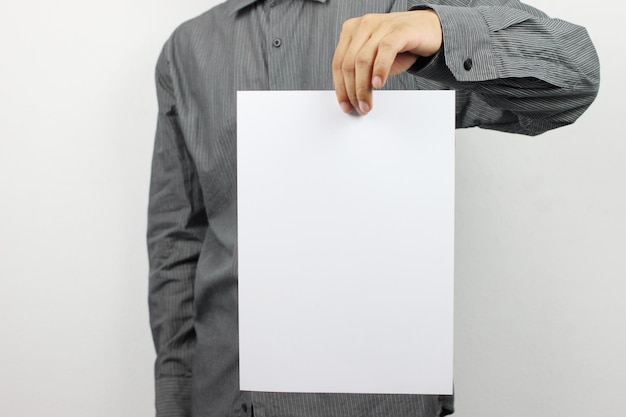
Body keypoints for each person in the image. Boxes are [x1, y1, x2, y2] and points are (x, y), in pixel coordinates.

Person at [147, 1, 599, 416]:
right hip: (224, 397)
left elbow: (575, 77)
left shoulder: (400, 13)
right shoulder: (187, 49)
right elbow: (179, 242)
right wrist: (175, 398)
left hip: (381, 403)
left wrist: (438, 29)